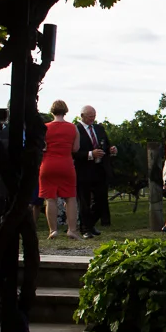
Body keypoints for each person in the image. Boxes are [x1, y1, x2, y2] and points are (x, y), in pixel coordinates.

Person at [39, 100, 81, 240]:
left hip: (48, 164)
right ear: (66, 111)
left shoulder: (44, 128)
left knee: (50, 199)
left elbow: (42, 147)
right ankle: (72, 230)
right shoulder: (73, 128)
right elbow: (75, 149)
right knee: (70, 198)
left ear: (52, 111)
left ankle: (53, 230)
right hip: (66, 163)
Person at [73, 105, 117, 238]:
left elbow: (106, 145)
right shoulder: (76, 129)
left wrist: (111, 150)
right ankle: (85, 228)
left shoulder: (99, 128)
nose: (92, 118)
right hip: (84, 170)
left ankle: (90, 224)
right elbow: (73, 152)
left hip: (100, 169)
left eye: (94, 115)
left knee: (101, 200)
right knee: (84, 200)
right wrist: (90, 154)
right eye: (89, 116)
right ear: (82, 116)